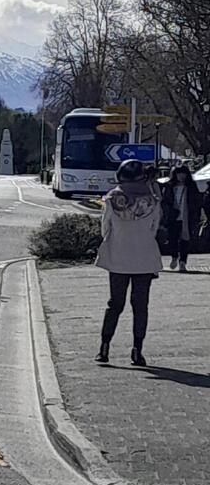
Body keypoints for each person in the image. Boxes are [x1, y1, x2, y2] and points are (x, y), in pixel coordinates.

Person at [95, 158, 162, 368]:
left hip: (118, 257)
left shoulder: (112, 199)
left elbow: (105, 228)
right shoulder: (152, 201)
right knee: (140, 305)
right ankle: (137, 350)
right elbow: (154, 228)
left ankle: (104, 348)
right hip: (144, 257)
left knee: (115, 303)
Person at [161, 163, 202, 273]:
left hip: (186, 217)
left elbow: (197, 202)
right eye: (179, 174)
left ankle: (182, 262)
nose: (181, 176)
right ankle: (174, 257)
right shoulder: (169, 186)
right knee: (172, 239)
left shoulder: (191, 187)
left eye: (183, 174)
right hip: (173, 216)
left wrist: (196, 216)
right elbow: (165, 202)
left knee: (185, 240)